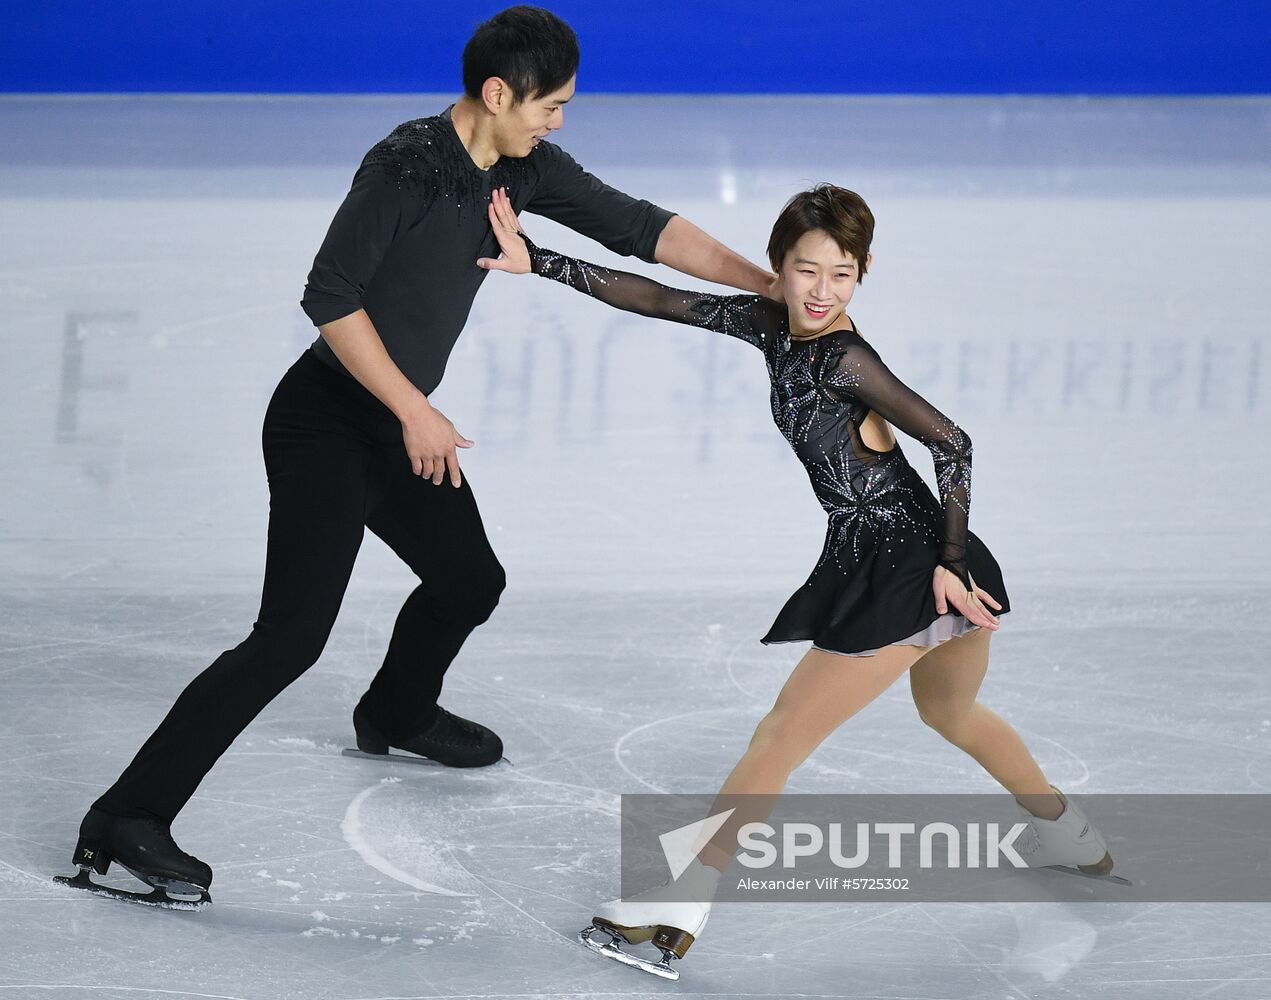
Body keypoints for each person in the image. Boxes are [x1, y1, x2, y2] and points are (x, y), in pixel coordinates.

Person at [60, 5, 776, 908]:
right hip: (327, 422)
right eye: (549, 105)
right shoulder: (406, 166)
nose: (558, 121)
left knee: (469, 581)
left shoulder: (516, 163)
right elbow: (329, 295)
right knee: (290, 638)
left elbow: (638, 226)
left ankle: (394, 711)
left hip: (399, 426)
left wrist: (766, 283)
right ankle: (124, 819)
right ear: (496, 92)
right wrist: (414, 410)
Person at [477, 184, 1116, 979]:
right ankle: (1070, 836)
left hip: (912, 571)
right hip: (903, 560)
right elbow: (662, 298)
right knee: (952, 712)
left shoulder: (844, 356)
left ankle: (674, 910)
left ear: (863, 272)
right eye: (805, 270)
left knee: (781, 734)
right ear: (775, 269)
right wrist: (538, 261)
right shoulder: (769, 324)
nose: (820, 291)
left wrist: (949, 565)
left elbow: (953, 442)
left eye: (841, 275)